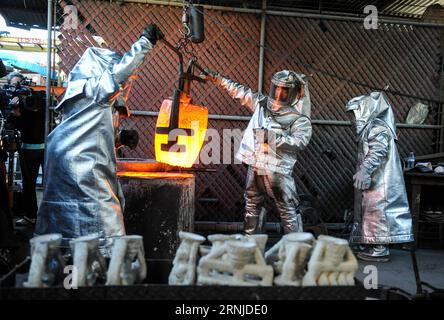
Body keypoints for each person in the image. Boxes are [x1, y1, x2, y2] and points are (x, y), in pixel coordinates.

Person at [35, 24, 165, 253]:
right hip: (83, 169)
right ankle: (105, 271)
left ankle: (69, 272)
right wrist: (145, 42)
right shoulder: (95, 88)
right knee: (106, 222)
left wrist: (119, 138)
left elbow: (89, 133)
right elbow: (119, 75)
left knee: (65, 225)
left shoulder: (82, 95)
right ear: (102, 71)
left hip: (66, 163)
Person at [201, 70, 312, 234]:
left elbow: (300, 141)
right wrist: (217, 78)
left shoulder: (298, 118)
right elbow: (240, 92)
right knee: (252, 204)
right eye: (278, 88)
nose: (280, 92)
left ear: (294, 92)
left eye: (285, 89)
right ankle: (250, 246)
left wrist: (272, 138)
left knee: (288, 209)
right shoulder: (262, 103)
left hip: (278, 168)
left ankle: (295, 250)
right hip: (256, 164)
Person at [345, 91, 413, 262]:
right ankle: (370, 243)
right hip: (374, 180)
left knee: (378, 212)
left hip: (380, 181)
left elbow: (378, 151)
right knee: (370, 211)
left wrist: (364, 170)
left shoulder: (378, 127)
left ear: (365, 110)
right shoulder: (372, 127)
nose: (352, 119)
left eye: (354, 113)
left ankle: (379, 248)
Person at [4, 72, 46, 226]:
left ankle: (50, 216)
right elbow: (12, 125)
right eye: (15, 85)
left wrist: (34, 105)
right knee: (29, 184)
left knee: (51, 183)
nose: (18, 87)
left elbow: (47, 115)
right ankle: (31, 215)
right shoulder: (14, 102)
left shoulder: (38, 96)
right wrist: (15, 113)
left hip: (47, 147)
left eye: (20, 83)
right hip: (28, 148)